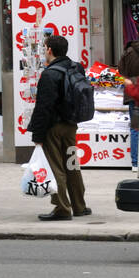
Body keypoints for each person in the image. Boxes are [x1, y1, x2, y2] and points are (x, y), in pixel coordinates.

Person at [28, 33, 89, 220]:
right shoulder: (76, 67)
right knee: (72, 166)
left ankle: (62, 208)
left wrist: (37, 135)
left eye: (44, 48)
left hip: (53, 129)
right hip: (71, 126)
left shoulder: (50, 74)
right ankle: (80, 206)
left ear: (49, 50)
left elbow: (43, 107)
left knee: (56, 168)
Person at [118, 39, 139, 169]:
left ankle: (135, 163)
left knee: (135, 128)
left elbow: (120, 72)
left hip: (133, 92)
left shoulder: (127, 53)